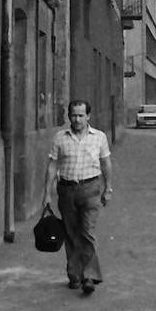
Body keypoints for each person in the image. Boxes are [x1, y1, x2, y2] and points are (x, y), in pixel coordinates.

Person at [42, 99, 113, 295]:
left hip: (91, 189)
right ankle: (74, 275)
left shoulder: (99, 137)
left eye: (81, 115)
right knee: (71, 234)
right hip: (66, 191)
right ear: (69, 116)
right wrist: (47, 194)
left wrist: (108, 188)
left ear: (88, 116)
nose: (77, 119)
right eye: (74, 115)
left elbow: (106, 163)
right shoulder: (60, 138)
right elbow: (52, 166)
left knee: (87, 232)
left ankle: (89, 276)